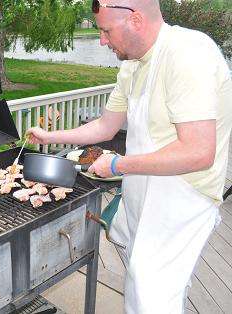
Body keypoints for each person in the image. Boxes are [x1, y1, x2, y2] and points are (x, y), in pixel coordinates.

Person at [26, 0, 232, 313]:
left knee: (151, 291)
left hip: (185, 193)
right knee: (127, 246)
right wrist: (50, 137)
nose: (102, 40)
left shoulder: (189, 54)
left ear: (135, 20)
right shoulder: (132, 64)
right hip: (143, 181)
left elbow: (198, 152)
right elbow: (105, 126)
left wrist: (117, 165)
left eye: (106, 31)